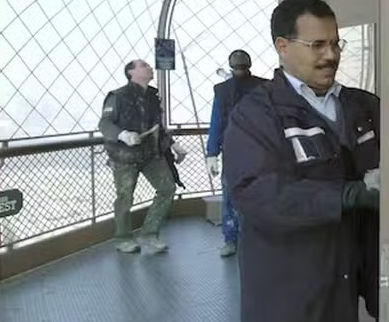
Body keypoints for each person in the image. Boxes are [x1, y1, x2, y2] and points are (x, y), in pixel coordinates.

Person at [225, 0, 380, 322]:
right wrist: (349, 193)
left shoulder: (362, 107)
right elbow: (256, 195)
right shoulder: (257, 115)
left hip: (340, 299)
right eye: (317, 44)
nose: (330, 54)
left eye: (335, 43)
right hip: (287, 314)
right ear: (282, 46)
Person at [98, 59, 187, 254]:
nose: (149, 67)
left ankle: (149, 233)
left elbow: (157, 126)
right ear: (131, 72)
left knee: (167, 188)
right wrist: (123, 135)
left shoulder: (152, 96)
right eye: (143, 65)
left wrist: (173, 145)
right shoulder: (118, 96)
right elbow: (104, 124)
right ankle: (123, 238)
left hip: (149, 153)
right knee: (125, 197)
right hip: (124, 156)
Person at [205, 49, 266, 257]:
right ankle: (238, 238)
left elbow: (216, 122)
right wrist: (212, 152)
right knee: (238, 193)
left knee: (234, 194)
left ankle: (235, 238)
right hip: (254, 147)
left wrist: (212, 152)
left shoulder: (224, 90)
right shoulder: (262, 86)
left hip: (243, 148)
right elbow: (217, 121)